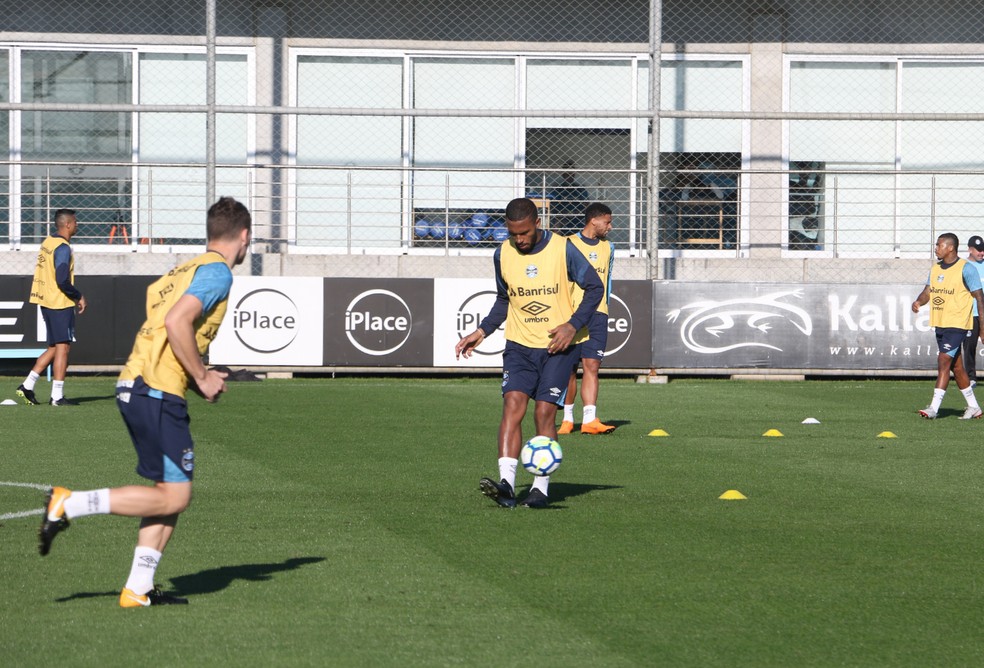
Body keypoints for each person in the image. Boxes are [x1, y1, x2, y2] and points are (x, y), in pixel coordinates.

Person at [38, 197, 252, 608]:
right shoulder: (218, 273)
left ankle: (138, 588)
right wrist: (203, 377)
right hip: (154, 390)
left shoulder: (180, 271)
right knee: (177, 496)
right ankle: (71, 503)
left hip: (141, 384)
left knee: (168, 491)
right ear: (244, 236)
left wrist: (194, 376)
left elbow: (162, 327)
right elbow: (176, 323)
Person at [455, 197, 603, 509]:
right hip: (519, 346)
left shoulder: (563, 248)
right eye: (513, 234)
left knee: (545, 412)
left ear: (537, 223)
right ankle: (507, 485)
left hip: (557, 347)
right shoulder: (502, 254)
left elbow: (595, 288)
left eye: (524, 233)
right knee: (512, 404)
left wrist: (572, 325)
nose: (519, 240)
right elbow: (503, 298)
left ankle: (540, 489)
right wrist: (481, 331)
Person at [16, 209, 87, 406]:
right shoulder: (63, 247)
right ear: (68, 224)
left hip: (46, 300)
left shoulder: (48, 242)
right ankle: (56, 397)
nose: (77, 225)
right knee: (63, 348)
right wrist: (78, 296)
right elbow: (62, 279)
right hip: (59, 302)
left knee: (54, 347)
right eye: (75, 222)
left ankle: (27, 386)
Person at [559, 202, 617, 435]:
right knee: (569, 369)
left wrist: (606, 307)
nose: (610, 227)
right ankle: (567, 419)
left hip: (598, 313)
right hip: (573, 313)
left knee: (592, 365)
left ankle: (590, 420)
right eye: (608, 221)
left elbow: (608, 280)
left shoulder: (609, 248)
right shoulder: (568, 244)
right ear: (594, 220)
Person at [911, 233, 984, 419]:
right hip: (941, 323)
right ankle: (974, 407)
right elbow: (928, 291)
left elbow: (980, 299)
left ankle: (933, 408)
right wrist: (919, 301)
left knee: (943, 359)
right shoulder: (935, 269)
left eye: (939, 245)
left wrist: (982, 328)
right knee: (956, 367)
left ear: (950, 248)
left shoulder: (966, 269)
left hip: (958, 324)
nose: (936, 248)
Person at [961, 235, 984, 386]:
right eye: (979, 250)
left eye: (983, 250)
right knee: (969, 346)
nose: (982, 253)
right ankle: (971, 378)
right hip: (971, 313)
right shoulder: (963, 266)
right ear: (970, 249)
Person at [549, 161, 590, 235]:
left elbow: (586, 205)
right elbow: (552, 205)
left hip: (578, 216)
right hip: (562, 216)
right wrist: (564, 213)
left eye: (571, 173)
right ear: (563, 174)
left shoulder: (580, 189)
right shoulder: (558, 189)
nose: (569, 175)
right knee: (557, 223)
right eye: (567, 173)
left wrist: (575, 213)